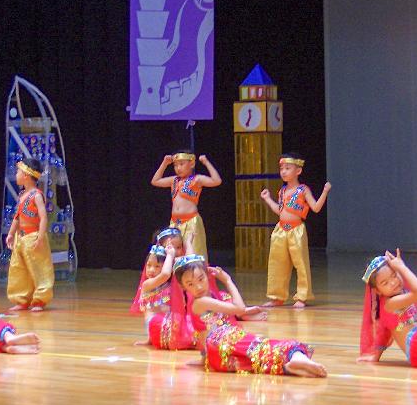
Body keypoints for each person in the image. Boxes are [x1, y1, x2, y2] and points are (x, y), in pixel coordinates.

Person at [170, 254, 326, 375]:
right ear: (183, 287)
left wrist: (204, 359)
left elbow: (204, 335)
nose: (198, 286)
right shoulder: (201, 301)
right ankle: (296, 357)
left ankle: (290, 366)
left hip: (219, 355)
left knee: (256, 360)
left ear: (207, 274)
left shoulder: (211, 297)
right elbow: (239, 308)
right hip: (223, 341)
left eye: (201, 279)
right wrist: (228, 281)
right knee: (264, 345)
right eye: (190, 284)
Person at [259, 153, 331, 308]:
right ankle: (277, 297)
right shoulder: (282, 191)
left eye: (287, 168)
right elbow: (279, 211)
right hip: (280, 230)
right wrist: (267, 199)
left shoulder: (303, 190)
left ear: (298, 171)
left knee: (301, 264)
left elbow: (316, 208)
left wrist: (325, 192)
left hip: (296, 230)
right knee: (277, 263)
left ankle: (302, 296)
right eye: (281, 169)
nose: (283, 171)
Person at [150, 151, 222, 260]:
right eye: (175, 165)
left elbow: (216, 181)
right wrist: (164, 163)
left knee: (193, 253)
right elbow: (155, 181)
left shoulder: (197, 179)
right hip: (175, 223)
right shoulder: (173, 180)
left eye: (181, 164)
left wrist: (206, 162)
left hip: (191, 221)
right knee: (173, 253)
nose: (178, 168)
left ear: (192, 164)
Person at [5, 157, 53, 312]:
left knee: (39, 270)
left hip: (33, 237)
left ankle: (39, 300)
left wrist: (40, 236)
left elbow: (43, 217)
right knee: (19, 270)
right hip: (21, 238)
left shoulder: (36, 195)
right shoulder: (22, 195)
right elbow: (17, 217)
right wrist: (11, 234)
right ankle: (21, 299)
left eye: (18, 172)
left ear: (26, 175)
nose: (16, 174)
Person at [130, 243, 176, 346]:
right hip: (156, 327)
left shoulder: (172, 283)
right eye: (149, 265)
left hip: (170, 325)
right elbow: (165, 274)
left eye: (157, 266)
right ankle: (150, 339)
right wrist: (170, 255)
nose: (151, 270)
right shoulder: (147, 284)